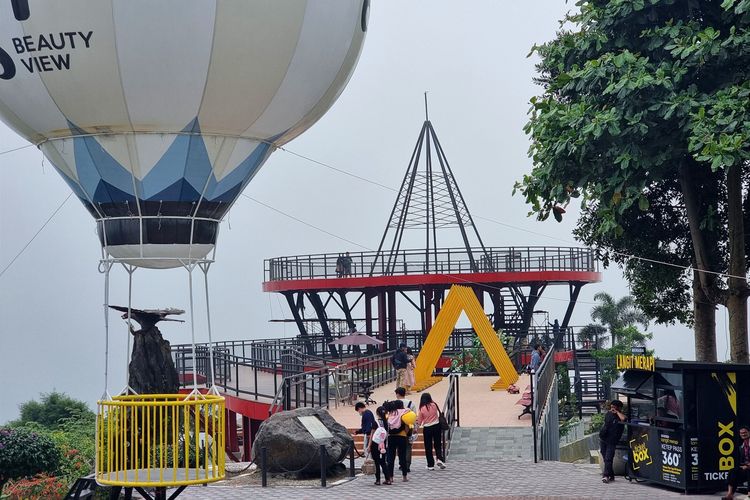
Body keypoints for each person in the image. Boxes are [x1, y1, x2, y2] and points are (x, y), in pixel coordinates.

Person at [385, 400, 415, 483]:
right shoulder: (404, 413)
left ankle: (390, 477)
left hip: (391, 437)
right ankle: (404, 476)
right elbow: (407, 425)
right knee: (402, 457)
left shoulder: (390, 414)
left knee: (391, 458)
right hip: (401, 437)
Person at [416, 392, 446, 470]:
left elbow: (419, 421)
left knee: (428, 447)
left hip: (427, 428)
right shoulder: (434, 405)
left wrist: (415, 428)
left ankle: (430, 464)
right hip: (437, 426)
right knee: (438, 444)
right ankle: (439, 459)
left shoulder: (421, 408)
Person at [599, 400, 626, 483]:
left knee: (608, 458)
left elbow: (623, 419)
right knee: (605, 457)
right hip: (604, 438)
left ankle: (606, 475)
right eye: (612, 406)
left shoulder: (620, 416)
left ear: (619, 408)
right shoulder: (609, 414)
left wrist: (617, 412)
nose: (612, 408)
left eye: (614, 407)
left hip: (612, 440)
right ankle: (611, 474)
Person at [723, 425, 750, 499]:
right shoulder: (742, 446)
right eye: (741, 433)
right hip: (746, 467)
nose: (743, 434)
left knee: (749, 472)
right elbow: (743, 461)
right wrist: (743, 466)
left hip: (749, 468)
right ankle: (730, 494)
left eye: (745, 432)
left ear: (749, 432)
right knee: (733, 471)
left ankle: (749, 495)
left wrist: (748, 466)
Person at [394, 387, 415, 473]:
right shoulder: (411, 403)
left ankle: (401, 463)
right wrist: (415, 428)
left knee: (399, 447)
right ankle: (407, 464)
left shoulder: (394, 404)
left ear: (398, 394)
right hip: (409, 428)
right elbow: (414, 417)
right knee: (408, 447)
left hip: (398, 428)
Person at [369, 406, 390, 485]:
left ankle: (378, 480)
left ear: (377, 413)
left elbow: (372, 434)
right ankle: (387, 479)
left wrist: (369, 445)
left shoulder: (375, 423)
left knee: (376, 462)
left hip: (375, 444)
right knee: (383, 462)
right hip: (383, 444)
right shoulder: (387, 423)